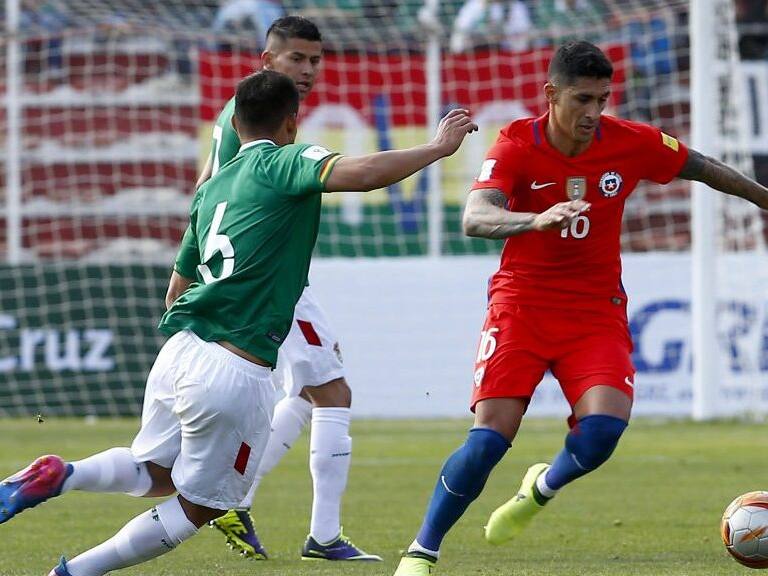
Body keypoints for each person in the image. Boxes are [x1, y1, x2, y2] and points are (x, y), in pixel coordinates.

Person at [0, 70, 476, 576]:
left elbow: (175, 290)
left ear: (235, 121)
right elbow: (360, 174)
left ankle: (62, 473)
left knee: (154, 472)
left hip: (180, 352)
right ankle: (72, 573)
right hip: (235, 368)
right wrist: (436, 149)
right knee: (199, 508)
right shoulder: (283, 160)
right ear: (292, 122)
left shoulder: (211, 189)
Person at [393, 40, 768, 576]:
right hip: (521, 305)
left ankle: (540, 489)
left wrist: (765, 198)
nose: (593, 113)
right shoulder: (516, 144)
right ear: (551, 94)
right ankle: (422, 550)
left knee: (602, 433)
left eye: (602, 99)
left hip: (595, 311)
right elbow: (475, 217)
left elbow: (702, 167)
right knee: (489, 440)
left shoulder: (631, 142)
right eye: (582, 100)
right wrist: (535, 219)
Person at [175, 16, 380, 562]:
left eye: (315, 59)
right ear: (268, 61)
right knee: (331, 393)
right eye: (296, 59)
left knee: (308, 393)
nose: (309, 69)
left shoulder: (239, 113)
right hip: (262, 281)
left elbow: (204, 185)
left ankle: (239, 500)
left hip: (252, 275)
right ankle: (321, 535)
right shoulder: (259, 123)